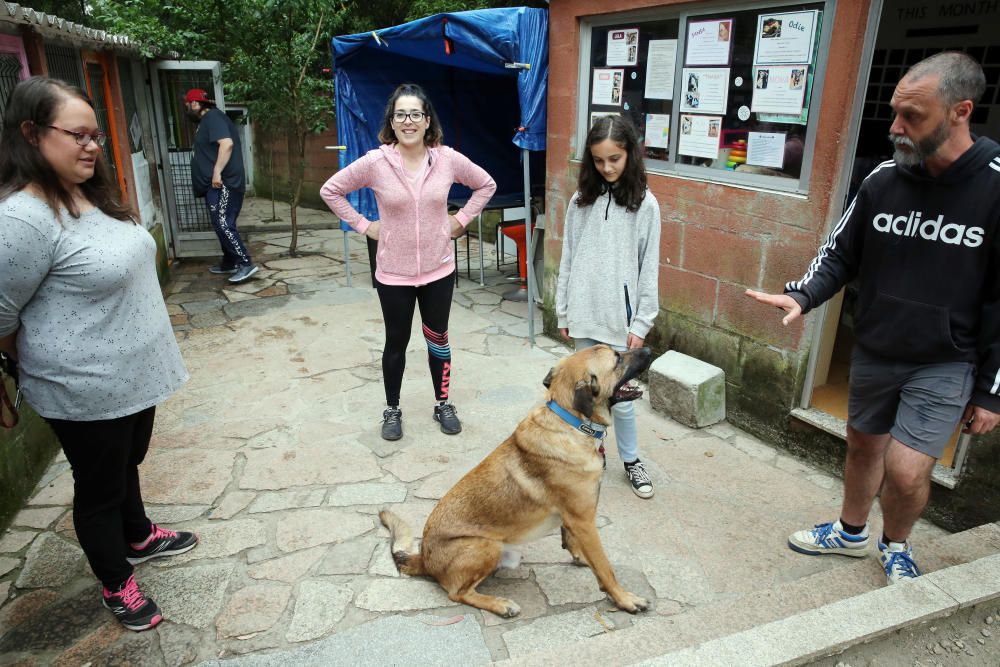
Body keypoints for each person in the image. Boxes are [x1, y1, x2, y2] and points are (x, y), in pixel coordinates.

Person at [745, 52, 1000, 584]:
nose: (896, 128)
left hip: (945, 361)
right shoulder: (884, 179)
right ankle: (850, 532)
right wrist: (805, 295)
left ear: (960, 112)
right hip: (878, 347)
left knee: (906, 473)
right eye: (895, 113)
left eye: (913, 117)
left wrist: (991, 390)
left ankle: (896, 544)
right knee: (863, 445)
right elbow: (839, 252)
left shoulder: (996, 188)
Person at [0, 77, 196, 630]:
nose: (91, 146)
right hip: (84, 386)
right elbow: (1, 312)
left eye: (96, 135)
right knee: (99, 487)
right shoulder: (22, 219)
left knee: (126, 464)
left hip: (136, 374)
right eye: (77, 135)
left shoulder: (88, 193)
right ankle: (116, 579)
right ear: (31, 134)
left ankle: (138, 533)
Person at [320, 83, 496, 441]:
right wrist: (364, 225)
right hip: (394, 273)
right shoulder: (376, 163)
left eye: (416, 113)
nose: (408, 120)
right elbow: (331, 190)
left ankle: (442, 403)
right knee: (395, 343)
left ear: (427, 120)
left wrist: (460, 220)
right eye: (401, 114)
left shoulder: (446, 159)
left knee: (438, 340)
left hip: (438, 270)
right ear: (392, 121)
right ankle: (392, 409)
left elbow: (486, 185)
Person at [556, 115, 662, 499]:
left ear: (630, 154)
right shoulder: (579, 200)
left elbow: (649, 267)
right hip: (583, 312)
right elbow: (568, 255)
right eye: (599, 160)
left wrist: (641, 322)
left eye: (615, 158)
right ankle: (592, 455)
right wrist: (563, 309)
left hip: (620, 319)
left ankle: (632, 461)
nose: (607, 167)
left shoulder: (645, 205)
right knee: (585, 393)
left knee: (622, 399)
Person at [184, 88, 257, 284]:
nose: (187, 108)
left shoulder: (213, 117)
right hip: (217, 185)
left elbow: (226, 144)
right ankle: (230, 261)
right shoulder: (207, 121)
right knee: (220, 223)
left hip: (224, 183)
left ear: (195, 104)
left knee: (223, 222)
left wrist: (216, 171)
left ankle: (244, 262)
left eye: (188, 104)